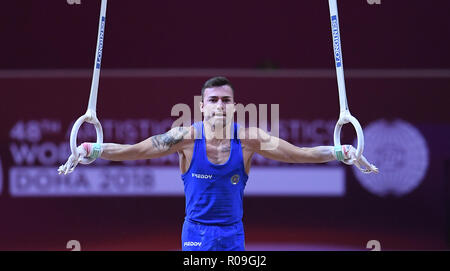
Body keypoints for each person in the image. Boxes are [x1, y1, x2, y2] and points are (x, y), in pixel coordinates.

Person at [59, 76, 378, 251]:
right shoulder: (184, 138)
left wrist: (341, 152)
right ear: (202, 106)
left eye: (226, 100)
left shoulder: (250, 139)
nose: (220, 105)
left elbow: (300, 154)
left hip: (233, 235)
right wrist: (92, 148)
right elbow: (134, 151)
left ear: (235, 106)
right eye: (213, 100)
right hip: (196, 233)